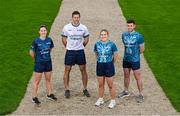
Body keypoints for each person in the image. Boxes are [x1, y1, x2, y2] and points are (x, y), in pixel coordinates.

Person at [61, 11, 90, 98]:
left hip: (80, 51)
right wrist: (68, 46)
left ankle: (85, 89)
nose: (76, 19)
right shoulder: (66, 27)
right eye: (75, 17)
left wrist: (81, 46)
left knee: (83, 69)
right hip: (70, 51)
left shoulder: (84, 27)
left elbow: (86, 38)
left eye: (78, 17)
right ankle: (67, 89)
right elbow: (63, 38)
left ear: (79, 18)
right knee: (67, 69)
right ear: (72, 18)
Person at [118, 20, 145, 103]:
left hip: (135, 60)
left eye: (130, 26)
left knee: (137, 77)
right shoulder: (124, 35)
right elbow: (125, 44)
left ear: (134, 26)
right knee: (126, 75)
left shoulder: (139, 36)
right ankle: (126, 91)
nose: (129, 27)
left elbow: (142, 49)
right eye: (128, 26)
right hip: (126, 59)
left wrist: (135, 55)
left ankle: (141, 94)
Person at [29, 25, 57, 105]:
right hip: (39, 63)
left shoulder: (49, 40)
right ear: (39, 32)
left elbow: (50, 49)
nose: (43, 32)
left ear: (46, 31)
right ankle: (34, 97)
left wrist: (45, 56)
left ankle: (49, 94)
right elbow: (31, 52)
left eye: (44, 30)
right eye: (41, 30)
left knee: (48, 80)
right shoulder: (36, 41)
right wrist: (37, 59)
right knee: (37, 81)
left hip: (48, 62)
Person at [94, 29, 118, 108]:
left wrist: (110, 63)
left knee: (110, 85)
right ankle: (101, 99)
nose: (103, 36)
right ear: (100, 35)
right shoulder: (97, 44)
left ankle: (113, 101)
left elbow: (115, 56)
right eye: (101, 34)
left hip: (109, 66)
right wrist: (100, 60)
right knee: (100, 84)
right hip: (100, 65)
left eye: (105, 34)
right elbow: (96, 54)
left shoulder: (112, 44)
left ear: (108, 35)